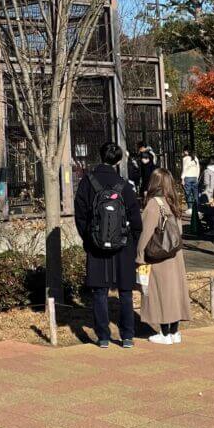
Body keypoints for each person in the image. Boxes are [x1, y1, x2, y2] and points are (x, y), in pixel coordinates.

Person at [73, 142, 142, 348]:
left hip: (96, 245)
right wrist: (133, 241)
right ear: (119, 160)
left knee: (100, 292)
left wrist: (89, 238)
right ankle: (127, 336)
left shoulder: (88, 182)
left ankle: (103, 336)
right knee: (125, 291)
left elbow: (80, 215)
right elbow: (136, 220)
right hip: (123, 245)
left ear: (100, 156)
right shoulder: (125, 185)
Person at [136, 169, 192, 344]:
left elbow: (145, 234)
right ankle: (174, 332)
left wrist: (139, 256)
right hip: (175, 255)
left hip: (158, 256)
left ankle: (164, 333)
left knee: (160, 293)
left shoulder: (153, 204)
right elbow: (179, 231)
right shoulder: (173, 202)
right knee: (175, 293)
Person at [179, 148, 200, 219]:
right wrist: (197, 177)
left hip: (187, 177)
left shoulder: (185, 158)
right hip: (194, 177)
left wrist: (182, 178)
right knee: (195, 193)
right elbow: (198, 168)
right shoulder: (195, 158)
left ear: (186, 151)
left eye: (184, 151)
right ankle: (197, 208)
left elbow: (184, 169)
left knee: (188, 193)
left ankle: (190, 208)